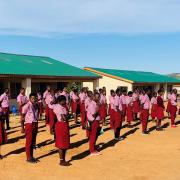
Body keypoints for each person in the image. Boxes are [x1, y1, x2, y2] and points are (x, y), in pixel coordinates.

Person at [53, 95, 71, 166]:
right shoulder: (58, 107)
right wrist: (68, 115)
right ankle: (61, 160)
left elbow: (66, 116)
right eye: (63, 100)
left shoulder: (63, 107)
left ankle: (63, 159)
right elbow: (64, 118)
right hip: (61, 125)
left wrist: (68, 115)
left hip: (64, 125)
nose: (65, 102)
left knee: (65, 143)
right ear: (60, 101)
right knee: (61, 144)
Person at [22, 93, 39, 163]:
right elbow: (22, 116)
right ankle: (28, 157)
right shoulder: (27, 105)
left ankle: (31, 156)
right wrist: (22, 127)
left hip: (35, 123)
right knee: (29, 141)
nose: (34, 100)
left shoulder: (36, 105)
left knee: (33, 141)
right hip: (29, 124)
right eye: (32, 98)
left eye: (35, 98)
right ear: (29, 99)